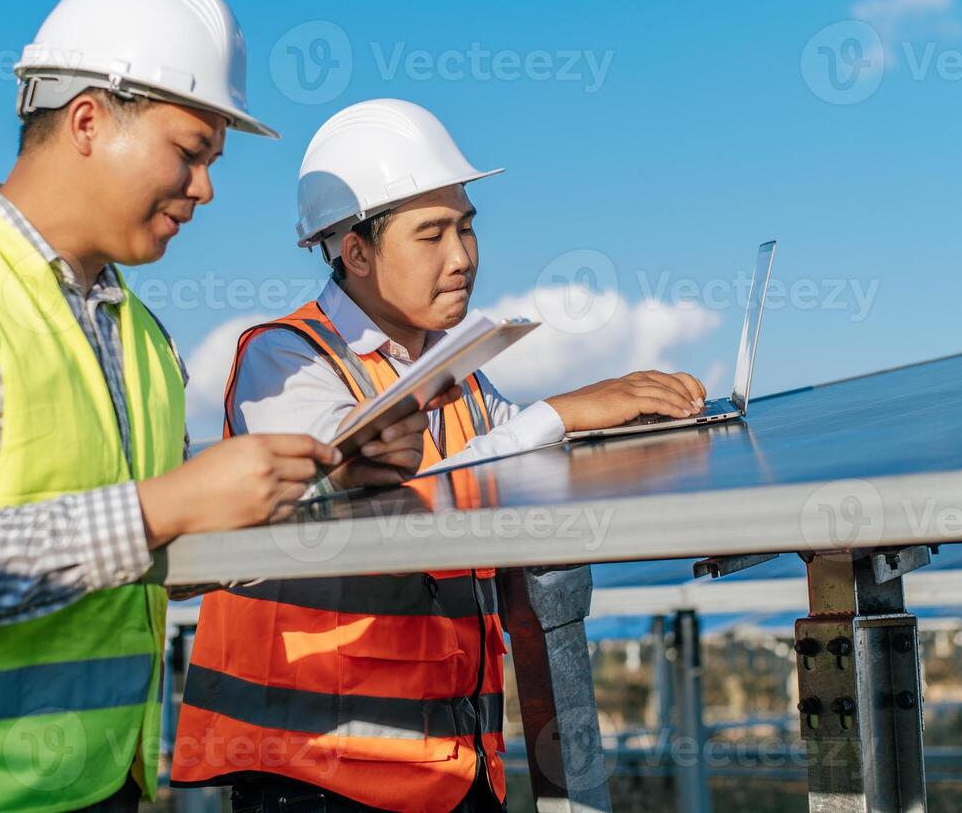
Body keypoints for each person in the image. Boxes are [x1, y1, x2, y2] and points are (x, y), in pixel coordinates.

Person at [0, 0, 433, 813]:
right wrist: (165, 505)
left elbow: (155, 558)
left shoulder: (140, 336)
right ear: (88, 120)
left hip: (91, 789)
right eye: (189, 152)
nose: (205, 188)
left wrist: (325, 479)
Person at [172, 98, 707, 812]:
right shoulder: (287, 361)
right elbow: (368, 486)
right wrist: (559, 412)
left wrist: (623, 425)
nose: (462, 257)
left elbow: (510, 464)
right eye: (431, 235)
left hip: (448, 771)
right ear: (354, 251)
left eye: (465, 228)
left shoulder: (457, 371)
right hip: (315, 775)